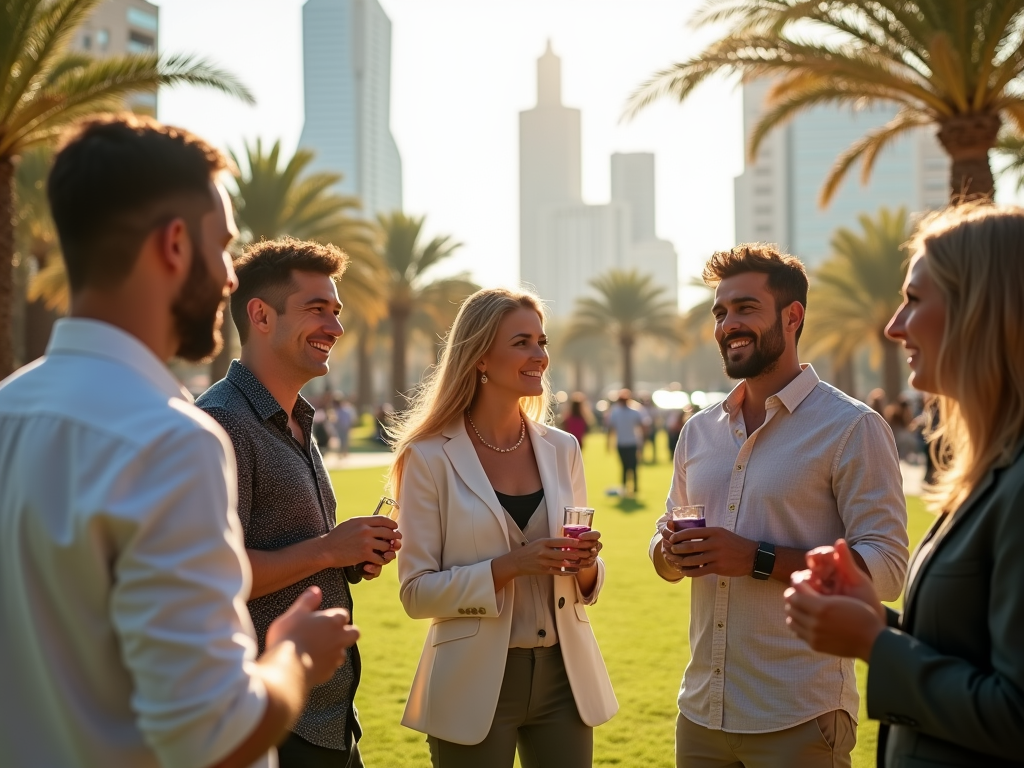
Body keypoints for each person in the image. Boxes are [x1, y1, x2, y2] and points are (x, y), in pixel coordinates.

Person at [0, 115, 358, 768]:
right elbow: (215, 733)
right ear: (173, 245)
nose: (229, 277)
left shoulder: (8, 413)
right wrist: (294, 658)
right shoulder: (171, 441)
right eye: (223, 247)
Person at [650, 244, 909, 768]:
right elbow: (663, 542)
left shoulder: (852, 427)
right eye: (720, 312)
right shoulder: (698, 431)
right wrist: (669, 553)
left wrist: (756, 558)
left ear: (793, 317)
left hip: (799, 716)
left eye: (745, 308)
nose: (727, 325)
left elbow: (886, 569)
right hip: (701, 715)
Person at [785, 204, 1024, 768]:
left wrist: (873, 643)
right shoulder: (993, 470)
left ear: (980, 309)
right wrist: (873, 614)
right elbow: (971, 648)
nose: (894, 326)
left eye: (915, 300)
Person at [391, 288, 618, 768]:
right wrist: (508, 567)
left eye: (542, 341)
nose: (540, 355)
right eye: (522, 342)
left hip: (565, 679)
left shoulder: (563, 449)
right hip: (472, 683)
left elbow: (582, 585)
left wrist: (587, 568)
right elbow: (416, 593)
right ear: (480, 358)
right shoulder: (428, 457)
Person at [197, 238, 401, 768]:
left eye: (336, 312)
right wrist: (327, 551)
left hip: (329, 720)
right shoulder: (223, 423)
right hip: (270, 721)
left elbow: (294, 548)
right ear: (261, 316)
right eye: (317, 310)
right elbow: (216, 575)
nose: (335, 327)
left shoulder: (296, 419)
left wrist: (349, 558)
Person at [606, 388, 648, 495]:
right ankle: (627, 488)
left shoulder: (632, 411)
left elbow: (642, 426)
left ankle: (633, 488)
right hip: (625, 442)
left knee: (631, 466)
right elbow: (611, 428)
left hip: (630, 442)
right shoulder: (618, 412)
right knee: (626, 466)